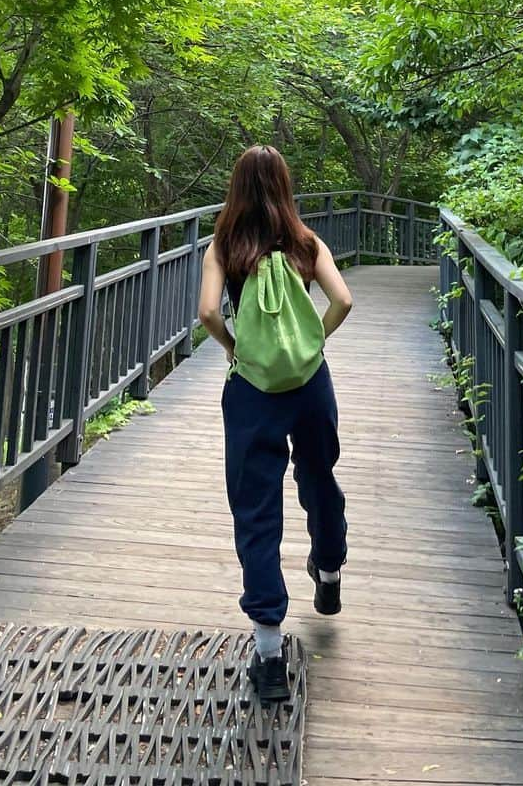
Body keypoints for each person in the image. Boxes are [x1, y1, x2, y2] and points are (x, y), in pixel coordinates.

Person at [198, 146, 353, 705]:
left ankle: (268, 653)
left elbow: (210, 314)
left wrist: (237, 351)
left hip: (252, 394)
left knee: (257, 511)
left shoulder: (225, 247)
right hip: (310, 387)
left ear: (236, 189)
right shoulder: (307, 243)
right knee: (319, 479)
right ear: (285, 186)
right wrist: (313, 343)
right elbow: (343, 299)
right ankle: (329, 571)